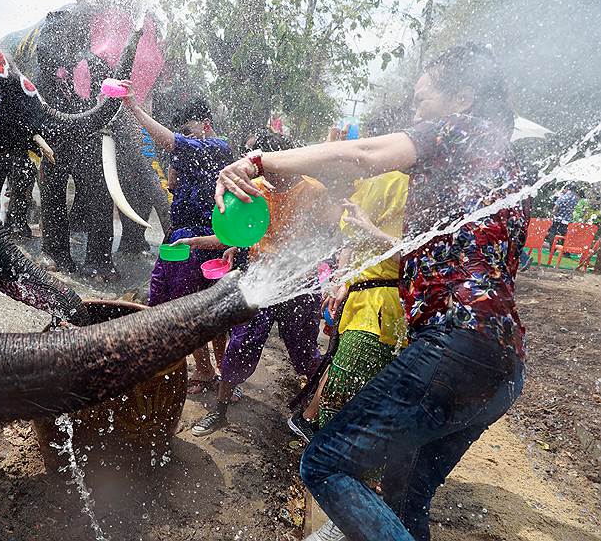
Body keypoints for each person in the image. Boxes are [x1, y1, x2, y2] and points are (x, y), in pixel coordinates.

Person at [216, 44, 528, 541]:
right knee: (405, 498)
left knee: (325, 464)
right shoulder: (496, 167)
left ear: (463, 97)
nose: (415, 114)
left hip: (455, 345)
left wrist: (257, 161)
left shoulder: (463, 130)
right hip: (505, 364)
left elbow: (361, 155)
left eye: (423, 101)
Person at [178, 129, 328, 437]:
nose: (261, 174)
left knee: (304, 352)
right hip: (261, 281)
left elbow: (328, 238)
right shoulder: (254, 189)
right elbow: (237, 233)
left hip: (299, 286)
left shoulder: (314, 192)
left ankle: (316, 410)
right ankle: (219, 412)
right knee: (241, 343)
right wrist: (204, 242)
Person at [121, 81, 233, 394]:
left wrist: (135, 109)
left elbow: (171, 142)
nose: (184, 135)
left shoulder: (218, 147)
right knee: (162, 297)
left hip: (209, 241)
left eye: (189, 130)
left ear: (206, 126)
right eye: (181, 130)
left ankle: (223, 374)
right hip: (179, 239)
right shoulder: (187, 156)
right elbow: (173, 182)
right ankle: (197, 368)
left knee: (208, 311)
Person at [287, 170, 409, 443]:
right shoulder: (389, 181)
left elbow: (416, 254)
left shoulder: (405, 186)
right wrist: (342, 280)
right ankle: (323, 446)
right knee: (345, 381)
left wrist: (370, 232)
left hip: (382, 305)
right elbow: (354, 239)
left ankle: (312, 426)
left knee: (349, 378)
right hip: (370, 305)